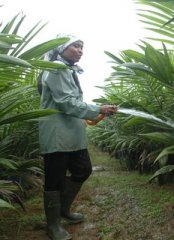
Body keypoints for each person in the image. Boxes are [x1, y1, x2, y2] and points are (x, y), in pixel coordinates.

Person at [39, 34, 117, 240]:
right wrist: (97, 108)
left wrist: (96, 110)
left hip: (72, 132)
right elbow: (65, 101)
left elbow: (72, 100)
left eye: (82, 47)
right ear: (61, 48)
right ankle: (53, 224)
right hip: (56, 133)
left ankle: (63, 209)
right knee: (54, 179)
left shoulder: (68, 70)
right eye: (76, 46)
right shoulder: (56, 69)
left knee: (83, 169)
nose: (81, 50)